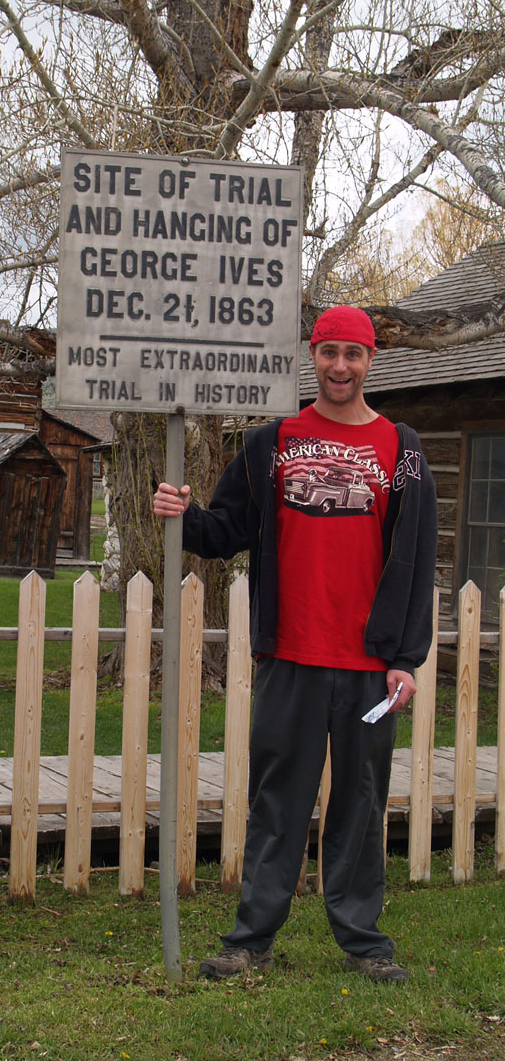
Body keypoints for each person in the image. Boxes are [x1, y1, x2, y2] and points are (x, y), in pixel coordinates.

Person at [153, 305, 438, 984]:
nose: (341, 366)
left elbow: (418, 554)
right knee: (277, 800)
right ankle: (250, 939)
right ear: (312, 355)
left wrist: (406, 657)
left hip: (369, 664)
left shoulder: (402, 450)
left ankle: (364, 941)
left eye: (354, 354)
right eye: (329, 351)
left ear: (371, 361)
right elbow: (225, 529)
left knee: (361, 804)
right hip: (292, 656)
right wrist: (182, 515)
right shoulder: (271, 441)